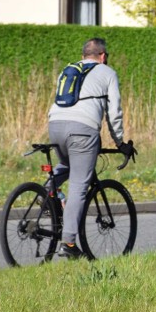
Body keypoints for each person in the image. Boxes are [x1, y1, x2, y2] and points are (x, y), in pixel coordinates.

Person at [48, 38, 135, 258]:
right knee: (79, 184)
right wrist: (120, 143)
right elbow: (114, 111)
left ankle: (47, 192)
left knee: (68, 164)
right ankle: (68, 244)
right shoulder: (107, 72)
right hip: (82, 130)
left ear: (84, 55)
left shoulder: (68, 69)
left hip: (54, 126)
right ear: (103, 56)